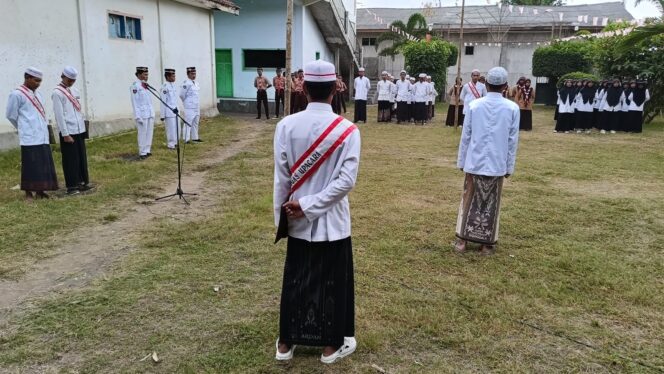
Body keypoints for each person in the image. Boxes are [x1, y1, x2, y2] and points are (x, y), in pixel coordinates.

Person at [273, 59, 360, 364]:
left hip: (296, 220)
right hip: (333, 222)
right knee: (333, 282)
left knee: (296, 278)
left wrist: (284, 218)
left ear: (304, 87)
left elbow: (281, 179)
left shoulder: (285, 126)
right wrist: (312, 207)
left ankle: (286, 344)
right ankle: (330, 346)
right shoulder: (348, 130)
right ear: (336, 88)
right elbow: (346, 183)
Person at [455, 66, 520, 255]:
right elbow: (512, 140)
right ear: (505, 86)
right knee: (491, 202)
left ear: (487, 84)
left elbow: (465, 136)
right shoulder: (512, 108)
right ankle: (486, 245)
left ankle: (462, 241)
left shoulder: (475, 105)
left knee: (468, 199)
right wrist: (509, 166)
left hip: (474, 161)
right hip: (497, 163)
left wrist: (461, 161)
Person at [6, 67, 59, 200]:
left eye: (40, 81)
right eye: (36, 80)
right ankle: (28, 192)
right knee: (30, 164)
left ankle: (40, 191)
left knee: (43, 164)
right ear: (27, 78)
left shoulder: (39, 94)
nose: (38, 83)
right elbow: (11, 115)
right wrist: (24, 127)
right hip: (29, 137)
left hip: (42, 136)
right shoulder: (17, 94)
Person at [52, 66, 90, 195]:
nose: (71, 82)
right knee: (70, 159)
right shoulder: (57, 92)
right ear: (63, 76)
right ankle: (72, 186)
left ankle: (82, 182)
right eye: (69, 80)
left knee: (81, 157)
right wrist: (65, 133)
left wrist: (83, 126)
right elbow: (59, 115)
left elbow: (78, 110)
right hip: (68, 130)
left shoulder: (75, 90)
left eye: (73, 80)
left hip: (79, 128)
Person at [130, 66, 155, 159]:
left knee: (149, 132)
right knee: (142, 133)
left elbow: (149, 101)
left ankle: (148, 150)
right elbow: (135, 102)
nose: (146, 76)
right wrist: (137, 116)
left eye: (147, 74)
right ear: (139, 75)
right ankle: (142, 152)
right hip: (142, 114)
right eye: (145, 74)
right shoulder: (135, 86)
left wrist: (152, 112)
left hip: (149, 113)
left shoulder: (146, 85)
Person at [180, 67, 201, 143]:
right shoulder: (186, 83)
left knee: (195, 122)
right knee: (188, 122)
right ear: (188, 74)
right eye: (192, 74)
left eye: (194, 73)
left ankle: (195, 138)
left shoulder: (196, 83)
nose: (194, 75)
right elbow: (182, 95)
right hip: (189, 107)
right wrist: (186, 102)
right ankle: (186, 139)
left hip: (196, 106)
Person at [160, 68, 179, 150]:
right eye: (173, 76)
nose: (174, 77)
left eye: (174, 75)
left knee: (177, 128)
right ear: (167, 77)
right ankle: (171, 144)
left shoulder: (173, 85)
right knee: (171, 129)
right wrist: (162, 115)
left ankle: (176, 142)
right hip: (169, 112)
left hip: (175, 111)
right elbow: (162, 102)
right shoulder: (164, 87)